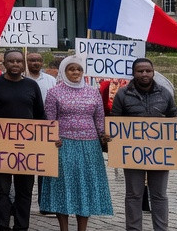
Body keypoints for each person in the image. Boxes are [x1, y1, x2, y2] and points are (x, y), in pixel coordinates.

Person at [39, 56, 111, 230]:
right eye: (71, 69)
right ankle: (64, 227)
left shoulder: (93, 91)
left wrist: (103, 135)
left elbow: (99, 118)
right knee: (62, 185)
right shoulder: (54, 92)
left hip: (90, 145)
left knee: (85, 185)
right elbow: (50, 119)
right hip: (63, 145)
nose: (76, 72)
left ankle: (82, 228)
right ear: (64, 71)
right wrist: (52, 138)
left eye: (79, 69)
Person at [0, 50, 44, 231]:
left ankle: (22, 227)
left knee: (25, 191)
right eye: (11, 61)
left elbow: (40, 116)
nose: (15, 64)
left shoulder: (32, 86)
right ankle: (2, 226)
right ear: (4, 63)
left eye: (18, 61)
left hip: (27, 148)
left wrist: (49, 139)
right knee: (0, 191)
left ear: (23, 64)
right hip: (0, 147)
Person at [111, 57, 176, 231]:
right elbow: (115, 121)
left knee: (159, 195)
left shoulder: (164, 93)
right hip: (132, 153)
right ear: (134, 73)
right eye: (140, 71)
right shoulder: (123, 94)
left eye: (148, 70)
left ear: (153, 72)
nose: (144, 74)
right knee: (133, 195)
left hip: (159, 153)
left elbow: (174, 117)